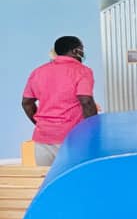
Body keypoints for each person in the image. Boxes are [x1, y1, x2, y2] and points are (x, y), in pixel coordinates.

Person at [21, 36, 97, 166]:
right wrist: (93, 131)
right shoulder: (82, 71)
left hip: (43, 138)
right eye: (82, 49)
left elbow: (26, 103)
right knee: (74, 179)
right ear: (75, 51)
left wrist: (39, 123)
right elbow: (86, 101)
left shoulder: (39, 71)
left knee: (47, 180)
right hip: (73, 138)